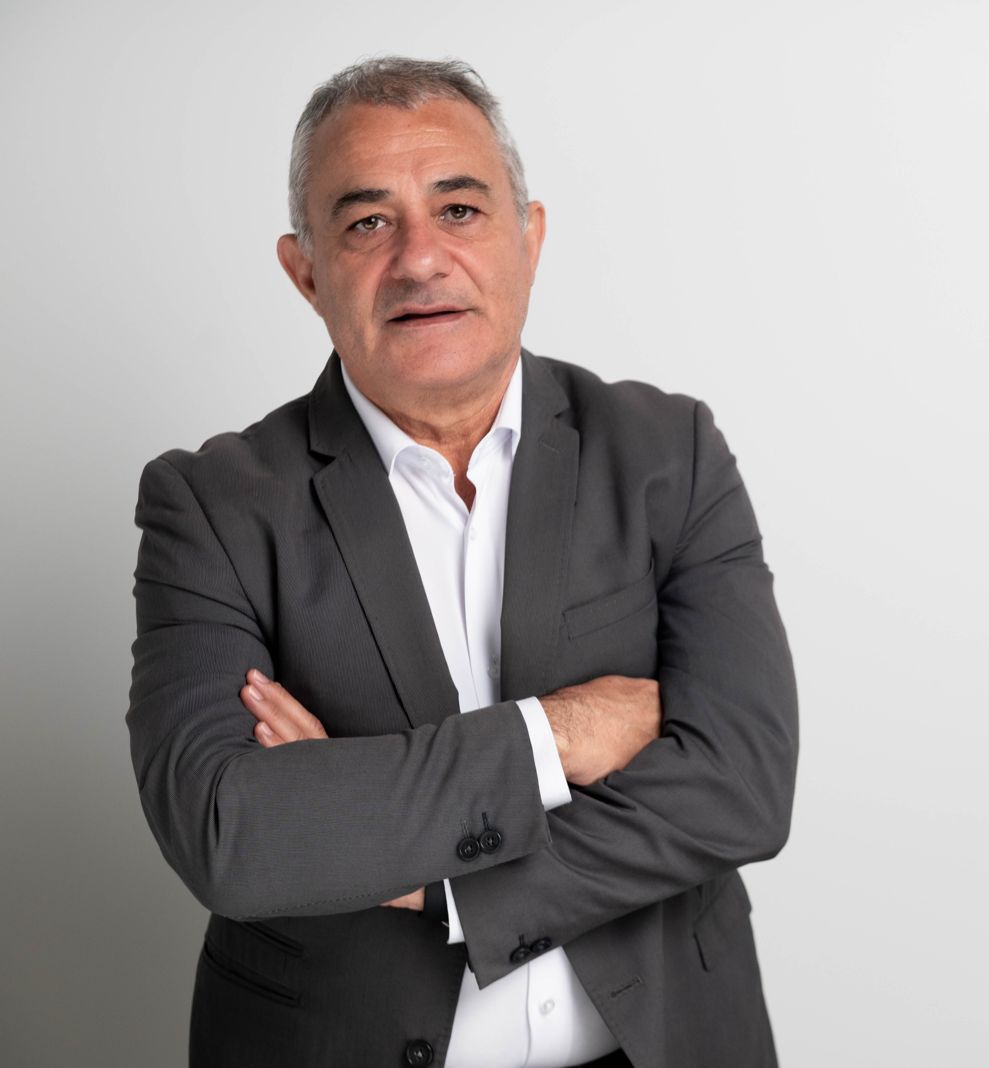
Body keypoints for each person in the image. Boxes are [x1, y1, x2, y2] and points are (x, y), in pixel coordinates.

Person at [126, 56, 798, 1068]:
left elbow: (741, 787)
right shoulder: (211, 504)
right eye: (367, 223)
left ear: (529, 238)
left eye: (459, 210)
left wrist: (421, 871)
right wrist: (558, 736)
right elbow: (233, 833)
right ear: (306, 272)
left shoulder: (669, 452)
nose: (419, 258)